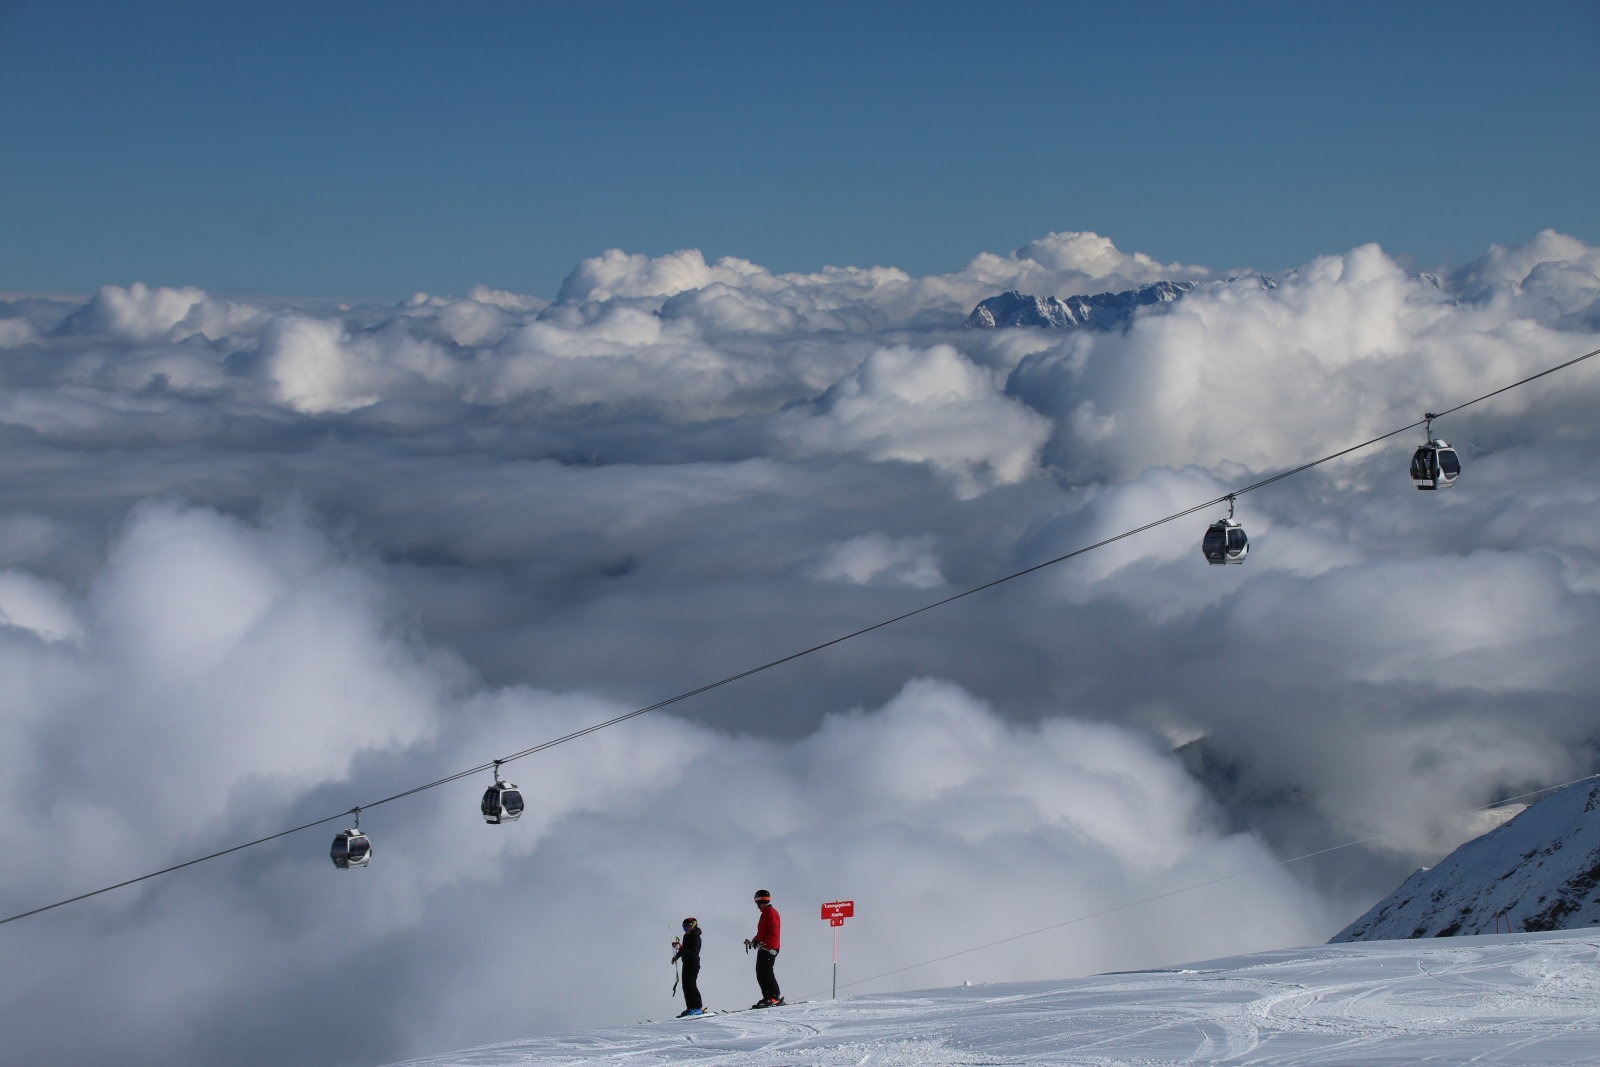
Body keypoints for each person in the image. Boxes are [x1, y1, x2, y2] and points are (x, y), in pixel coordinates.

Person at [744, 889, 782, 1008]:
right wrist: (756, 940)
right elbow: (763, 931)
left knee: (767, 972)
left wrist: (763, 943)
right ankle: (767, 997)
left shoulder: (771, 913)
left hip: (770, 949)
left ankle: (774, 997)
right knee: (760, 973)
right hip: (764, 948)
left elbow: (773, 932)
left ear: (759, 901)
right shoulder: (765, 913)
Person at [672, 917, 705, 1017]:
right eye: (684, 928)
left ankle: (698, 1008)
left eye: (687, 928)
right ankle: (690, 1007)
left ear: (693, 925)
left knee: (691, 984)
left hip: (693, 963)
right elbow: (684, 949)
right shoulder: (686, 936)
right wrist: (677, 956)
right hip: (686, 962)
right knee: (685, 985)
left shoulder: (696, 937)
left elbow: (694, 953)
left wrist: (681, 948)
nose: (686, 930)